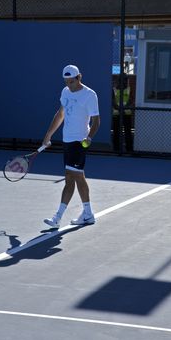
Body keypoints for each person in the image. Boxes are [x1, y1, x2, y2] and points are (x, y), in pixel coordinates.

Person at [42, 65, 100, 228]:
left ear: (79, 77)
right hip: (67, 140)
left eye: (72, 82)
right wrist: (48, 135)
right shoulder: (65, 92)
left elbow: (96, 121)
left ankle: (57, 217)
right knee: (78, 177)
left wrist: (89, 137)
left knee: (69, 177)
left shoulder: (89, 95)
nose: (69, 85)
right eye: (66, 82)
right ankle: (88, 213)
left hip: (79, 142)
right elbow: (60, 114)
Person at [112, 75, 133, 152]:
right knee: (116, 132)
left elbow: (130, 101)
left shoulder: (129, 89)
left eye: (125, 80)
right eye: (123, 80)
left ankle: (129, 149)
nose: (124, 82)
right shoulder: (114, 90)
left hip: (126, 114)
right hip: (117, 114)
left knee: (128, 132)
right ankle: (116, 149)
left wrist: (123, 109)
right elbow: (113, 101)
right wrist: (119, 108)